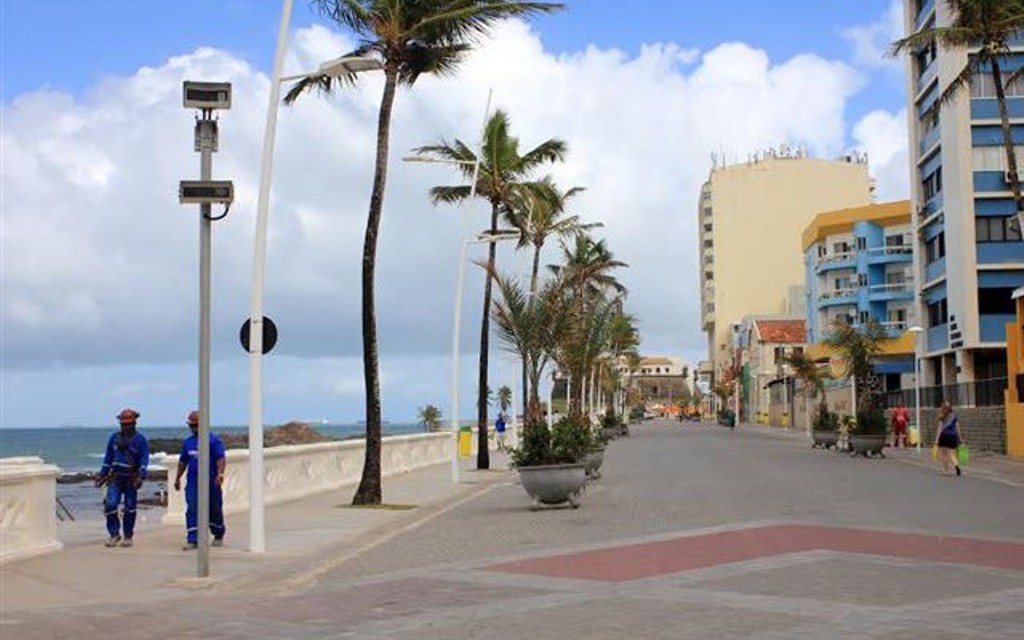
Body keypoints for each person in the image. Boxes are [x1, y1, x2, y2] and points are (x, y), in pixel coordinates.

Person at [173, 410, 226, 550]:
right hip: (193, 481)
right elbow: (183, 461)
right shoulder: (188, 442)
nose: (194, 428)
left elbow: (221, 458)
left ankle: (218, 533)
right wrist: (177, 478)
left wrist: (220, 474)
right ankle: (193, 539)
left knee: (214, 508)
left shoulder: (213, 441)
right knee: (192, 507)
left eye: (196, 425)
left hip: (211, 481)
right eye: (192, 426)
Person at [96, 408, 150, 548]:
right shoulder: (114, 438)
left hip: (131, 478)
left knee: (130, 507)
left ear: (134, 423)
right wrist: (102, 474)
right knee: (110, 504)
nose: (125, 426)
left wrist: (141, 477)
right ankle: (114, 534)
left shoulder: (140, 440)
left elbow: (144, 460)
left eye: (128, 423)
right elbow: (108, 459)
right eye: (123, 423)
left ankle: (128, 535)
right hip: (115, 477)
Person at [933, 401, 964, 477]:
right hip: (953, 436)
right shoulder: (954, 416)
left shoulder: (942, 417)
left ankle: (946, 470)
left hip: (944, 435)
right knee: (951, 453)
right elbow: (957, 428)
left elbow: (939, 429)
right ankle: (956, 465)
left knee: (944, 454)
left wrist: (936, 440)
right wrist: (960, 438)